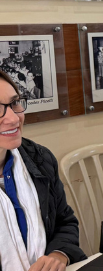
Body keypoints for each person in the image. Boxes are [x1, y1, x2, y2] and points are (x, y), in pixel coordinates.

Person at [0, 69, 87, 271]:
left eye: (14, 103)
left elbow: (64, 221)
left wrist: (58, 254)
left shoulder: (39, 159)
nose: (13, 119)